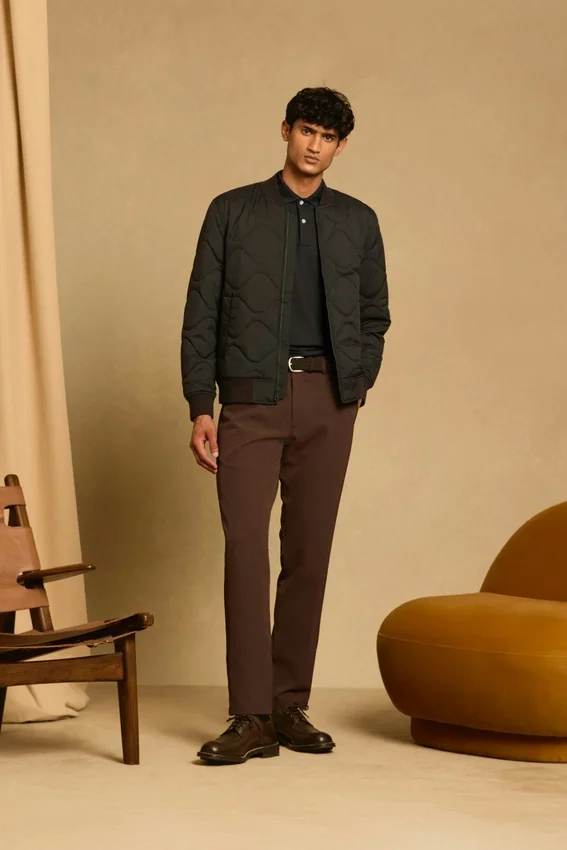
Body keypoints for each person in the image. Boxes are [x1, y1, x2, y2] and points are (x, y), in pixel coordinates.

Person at [181, 86, 391, 765]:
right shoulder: (232, 211)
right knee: (245, 547)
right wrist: (201, 404)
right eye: (306, 131)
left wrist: (355, 382)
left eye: (327, 138)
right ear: (285, 131)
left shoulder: (357, 220)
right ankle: (248, 715)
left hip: (329, 400)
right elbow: (201, 312)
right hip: (250, 400)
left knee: (308, 552)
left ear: (340, 147)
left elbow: (374, 314)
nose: (314, 145)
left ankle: (286, 704)